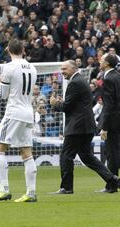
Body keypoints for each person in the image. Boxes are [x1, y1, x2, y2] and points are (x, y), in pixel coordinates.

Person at [50, 60, 119, 194]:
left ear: (74, 68)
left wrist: (55, 103)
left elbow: (66, 106)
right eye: (61, 69)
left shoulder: (75, 82)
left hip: (77, 127)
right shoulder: (80, 80)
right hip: (85, 126)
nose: (62, 71)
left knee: (66, 155)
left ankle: (67, 187)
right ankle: (113, 179)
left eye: (65, 69)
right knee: (87, 157)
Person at [0, 39, 38, 202]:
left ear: (8, 50)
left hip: (14, 112)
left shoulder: (8, 67)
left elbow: (3, 94)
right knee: (26, 152)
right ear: (23, 50)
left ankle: (4, 189)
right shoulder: (32, 67)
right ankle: (31, 193)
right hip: (28, 112)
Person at [98, 54, 120, 192]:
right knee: (116, 151)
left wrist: (104, 127)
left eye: (101, 59)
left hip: (113, 122)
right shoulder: (117, 76)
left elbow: (108, 105)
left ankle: (112, 185)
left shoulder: (108, 79)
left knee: (112, 152)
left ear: (106, 63)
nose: (99, 61)